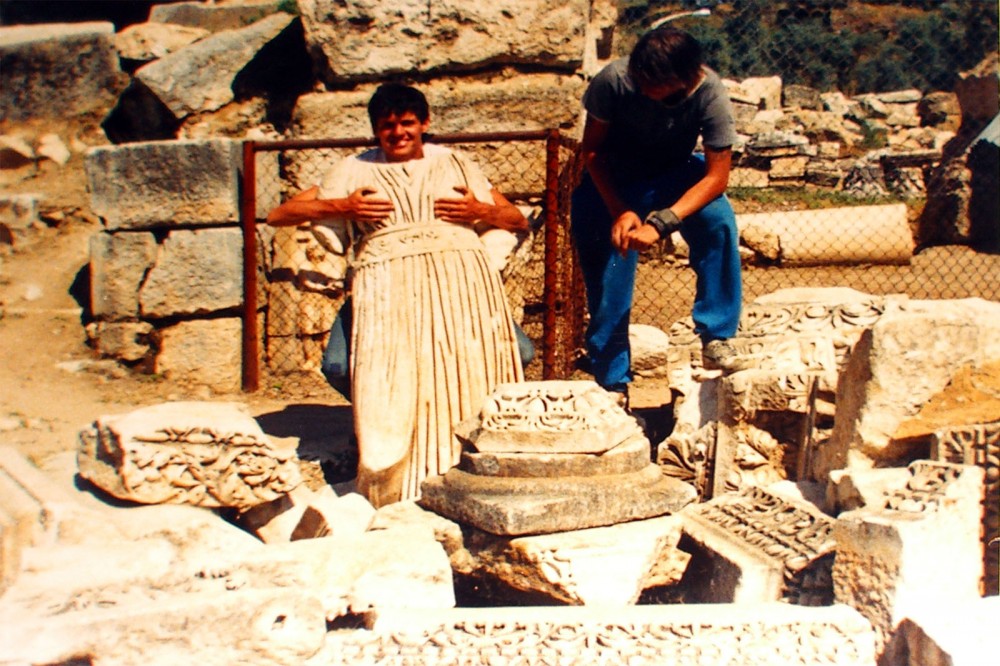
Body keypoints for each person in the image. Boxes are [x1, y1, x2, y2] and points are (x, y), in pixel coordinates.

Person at [266, 83, 528, 507]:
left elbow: (515, 218)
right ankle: (395, 466)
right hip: (387, 283)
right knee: (369, 370)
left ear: (424, 123)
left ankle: (470, 465)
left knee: (490, 360)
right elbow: (280, 213)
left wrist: (480, 212)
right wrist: (343, 207)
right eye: (387, 126)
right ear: (375, 130)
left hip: (460, 281)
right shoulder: (354, 169)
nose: (398, 132)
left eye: (407, 123)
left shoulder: (456, 164)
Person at [571, 26, 750, 403]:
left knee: (717, 221)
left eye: (655, 84)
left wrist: (661, 222)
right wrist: (620, 211)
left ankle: (718, 335)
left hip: (675, 173)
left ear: (685, 78)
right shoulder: (614, 82)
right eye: (641, 80)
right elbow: (592, 153)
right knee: (611, 274)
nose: (645, 89)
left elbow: (717, 178)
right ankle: (612, 381)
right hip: (614, 178)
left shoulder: (710, 93)